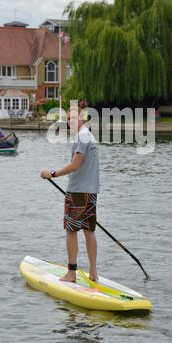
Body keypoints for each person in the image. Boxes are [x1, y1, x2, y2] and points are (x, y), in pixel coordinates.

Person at [41, 105, 100, 282]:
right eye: (68, 118)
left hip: (77, 192)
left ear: (82, 119)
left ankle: (72, 273)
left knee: (71, 231)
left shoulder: (81, 137)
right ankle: (93, 272)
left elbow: (75, 165)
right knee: (89, 230)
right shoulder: (90, 136)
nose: (70, 121)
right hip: (91, 191)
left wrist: (51, 174)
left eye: (73, 118)